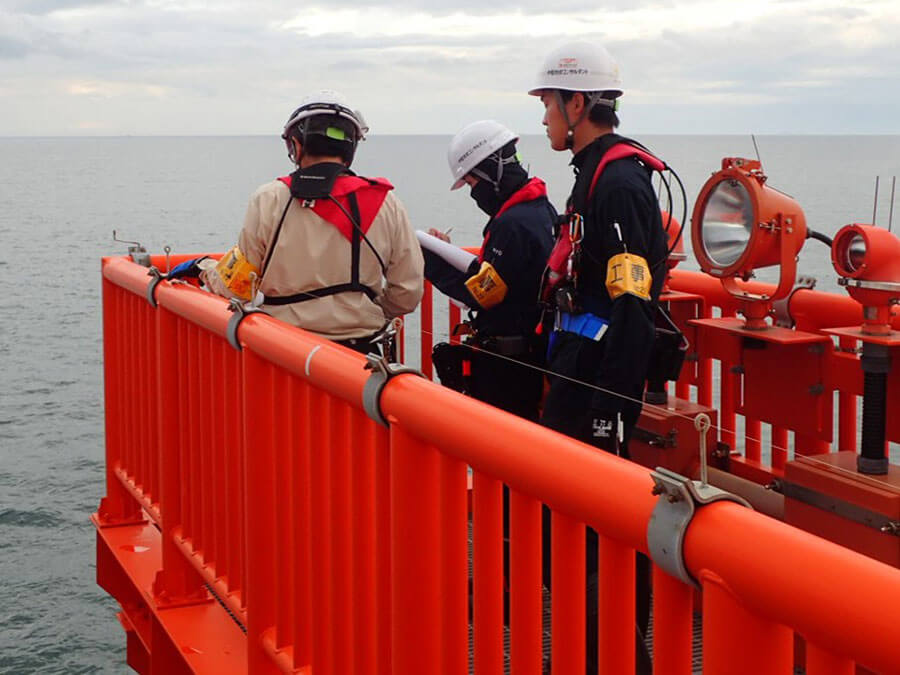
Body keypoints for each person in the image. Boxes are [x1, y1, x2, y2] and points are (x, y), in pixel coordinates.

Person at [529, 41, 671, 674]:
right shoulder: (595, 174)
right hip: (579, 372)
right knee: (580, 516)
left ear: (577, 103)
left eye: (550, 105)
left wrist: (612, 409)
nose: (545, 119)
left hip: (596, 385)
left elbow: (633, 306)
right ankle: (599, 646)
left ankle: (620, 654)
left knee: (604, 522)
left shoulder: (616, 184)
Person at [200, 90, 424, 354]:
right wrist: (363, 311)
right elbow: (407, 292)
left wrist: (203, 267)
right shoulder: (386, 203)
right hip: (362, 352)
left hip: (283, 349)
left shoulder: (269, 198)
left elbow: (236, 287)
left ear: (295, 146)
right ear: (351, 146)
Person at [425, 120, 555, 421]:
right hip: (532, 358)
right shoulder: (540, 210)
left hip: (509, 367)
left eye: (471, 184)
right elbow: (503, 273)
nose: (474, 194)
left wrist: (428, 260)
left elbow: (483, 293)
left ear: (490, 173)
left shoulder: (512, 224)